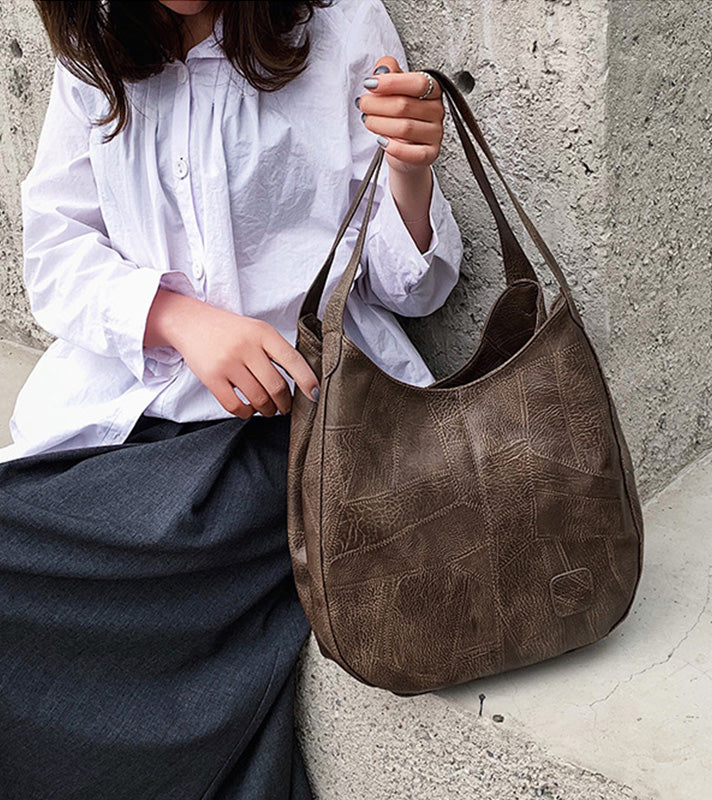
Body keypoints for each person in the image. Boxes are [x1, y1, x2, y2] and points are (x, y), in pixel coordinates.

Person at [0, 0, 463, 797]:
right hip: (122, 415)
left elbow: (410, 290)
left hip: (292, 432)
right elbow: (54, 249)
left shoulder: (339, 28)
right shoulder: (96, 46)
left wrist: (410, 172)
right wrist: (177, 319)